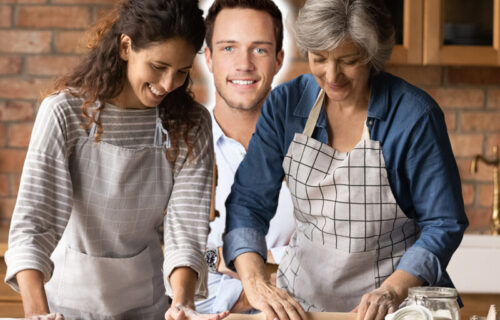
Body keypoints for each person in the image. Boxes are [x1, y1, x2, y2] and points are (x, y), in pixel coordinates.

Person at [222, 0, 469, 320]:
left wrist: (391, 291)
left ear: (371, 56)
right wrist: (255, 282)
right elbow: (248, 204)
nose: (332, 74)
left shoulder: (414, 116)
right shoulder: (285, 104)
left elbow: (443, 223)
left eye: (348, 60)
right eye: (319, 58)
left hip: (394, 308)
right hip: (300, 307)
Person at [4, 1, 229, 319]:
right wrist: (37, 314)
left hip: (147, 307)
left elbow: (186, 228)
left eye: (181, 72)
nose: (167, 84)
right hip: (64, 308)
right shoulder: (65, 113)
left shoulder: (191, 124)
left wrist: (182, 303)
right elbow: (33, 227)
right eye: (158, 66)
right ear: (126, 46)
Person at [195, 0, 295, 314]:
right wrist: (264, 273)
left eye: (260, 50)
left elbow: (333, 264)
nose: (244, 64)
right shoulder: (178, 150)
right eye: (228, 48)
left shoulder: (310, 154)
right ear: (208, 58)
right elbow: (161, 262)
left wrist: (235, 259)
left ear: (279, 60)